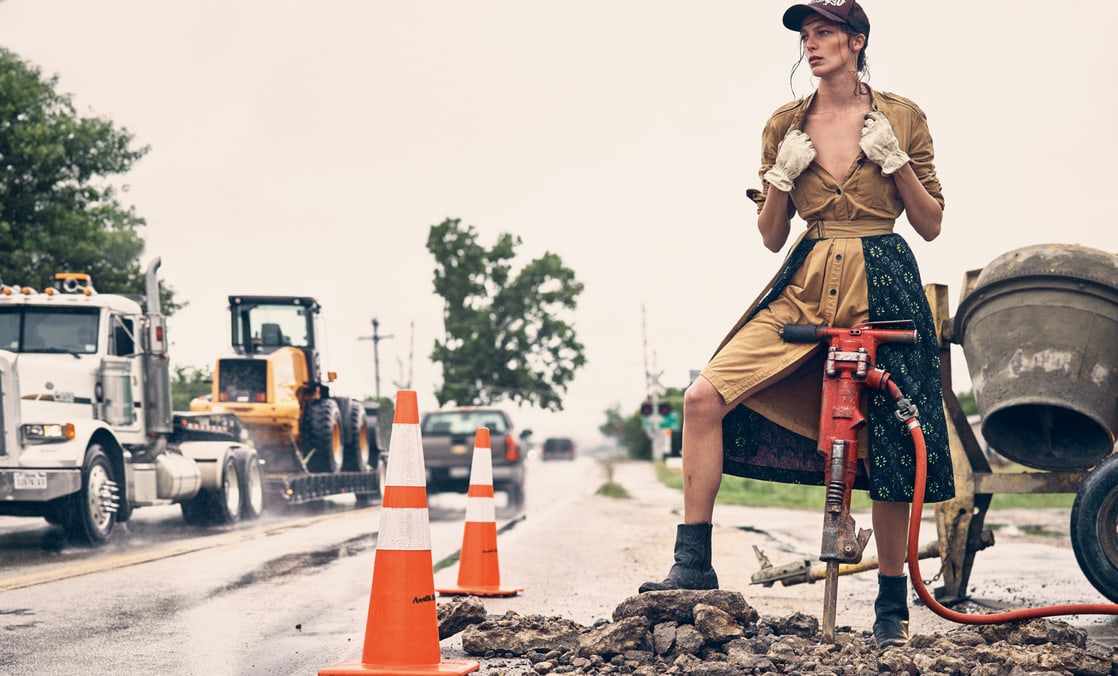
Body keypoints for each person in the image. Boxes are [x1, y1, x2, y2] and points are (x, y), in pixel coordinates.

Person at [638, 0, 956, 649]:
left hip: (884, 273)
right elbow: (769, 234)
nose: (812, 44)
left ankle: (891, 605)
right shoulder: (785, 123)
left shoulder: (903, 115)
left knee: (895, 444)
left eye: (825, 32)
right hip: (806, 273)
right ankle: (692, 563)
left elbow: (930, 223)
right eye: (806, 34)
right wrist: (781, 177)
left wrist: (894, 162)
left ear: (857, 40)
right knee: (703, 397)